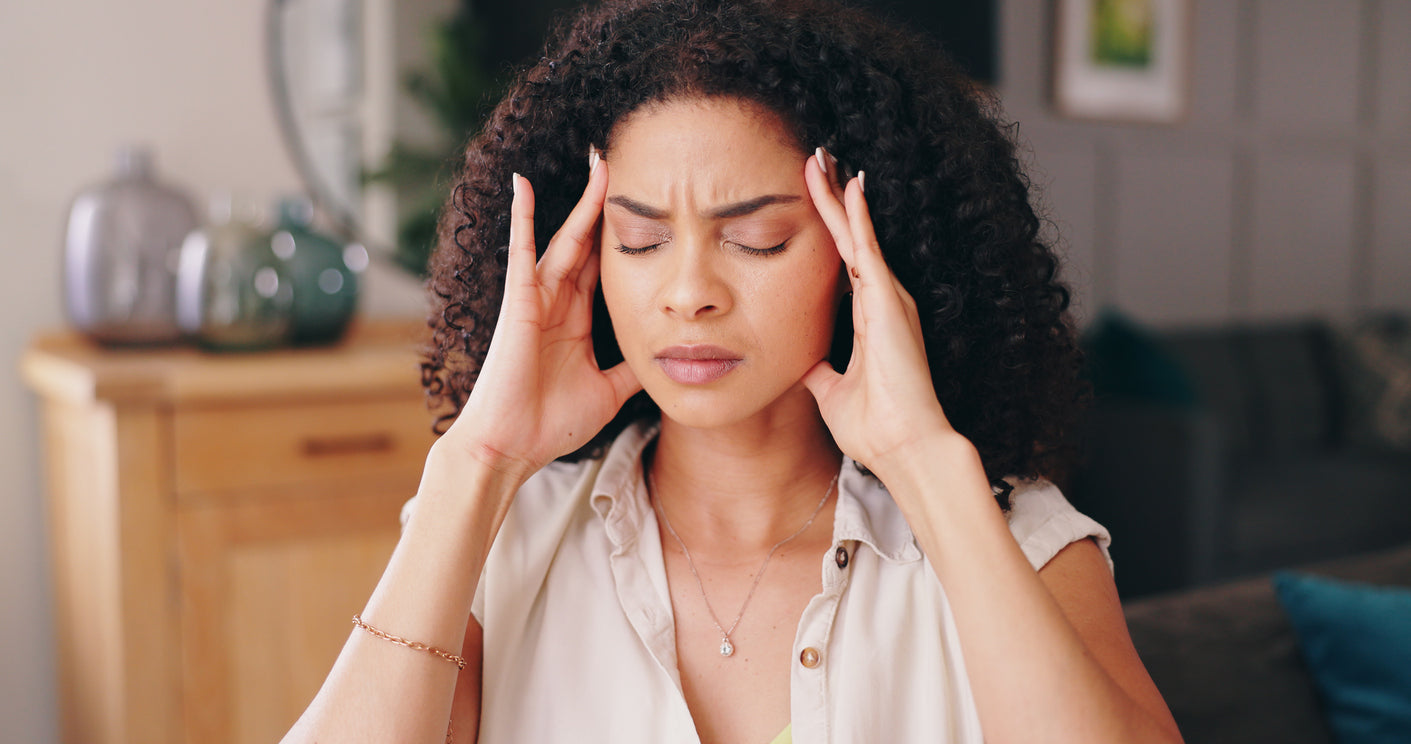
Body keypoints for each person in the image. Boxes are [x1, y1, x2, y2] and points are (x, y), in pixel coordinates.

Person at [283, 1, 1183, 742]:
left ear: (865, 256)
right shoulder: (504, 543)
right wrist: (477, 463)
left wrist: (923, 462)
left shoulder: (1019, 542)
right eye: (638, 240)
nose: (687, 294)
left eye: (755, 239)